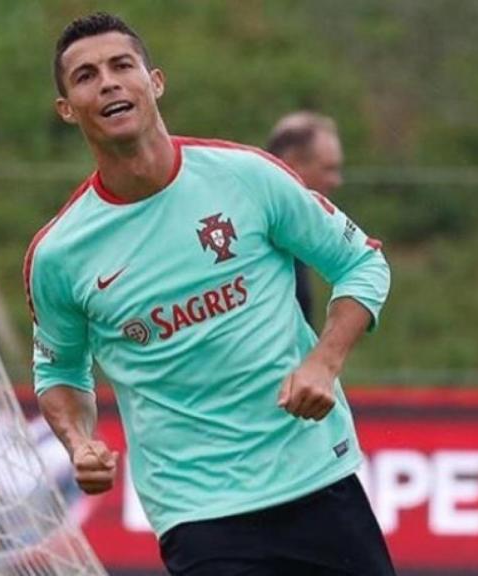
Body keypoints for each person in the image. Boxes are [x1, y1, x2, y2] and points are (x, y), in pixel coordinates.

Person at [23, 12, 394, 576]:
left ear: (155, 81)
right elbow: (61, 372)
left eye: (122, 66)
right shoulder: (59, 255)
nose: (108, 82)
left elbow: (362, 262)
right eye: (86, 76)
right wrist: (78, 440)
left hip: (316, 477)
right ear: (67, 109)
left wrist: (324, 361)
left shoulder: (246, 178)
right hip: (199, 514)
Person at [266, 112, 346, 326]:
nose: (336, 181)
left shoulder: (295, 231)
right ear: (292, 164)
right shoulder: (256, 231)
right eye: (328, 169)